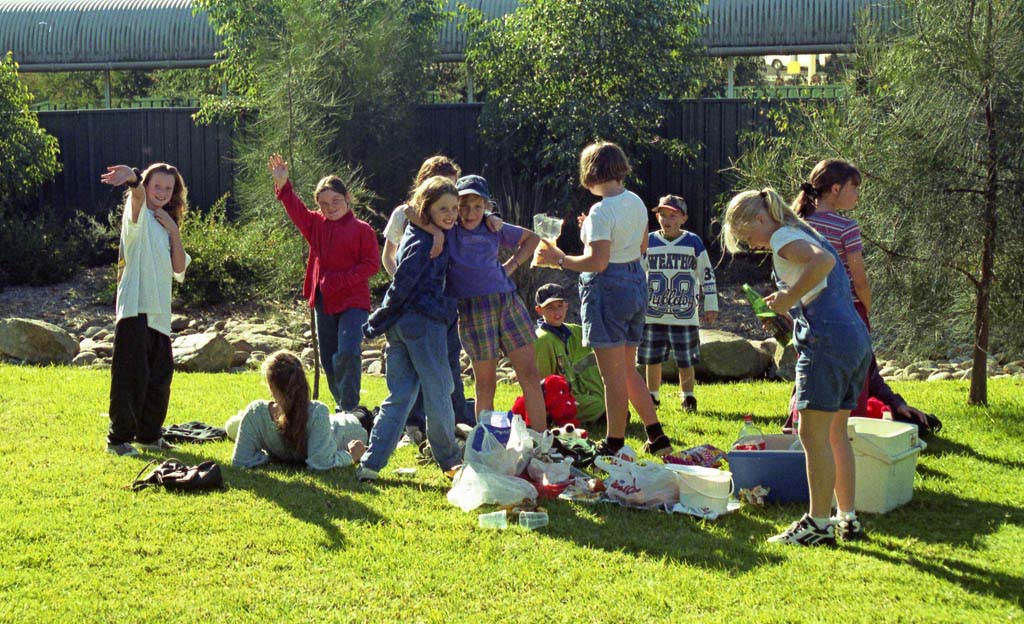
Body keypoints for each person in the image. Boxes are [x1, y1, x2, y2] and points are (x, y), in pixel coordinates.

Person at [722, 187, 871, 546]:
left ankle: (817, 525)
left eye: (747, 236)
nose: (751, 245)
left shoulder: (784, 235)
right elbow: (819, 284)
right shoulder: (805, 230)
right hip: (852, 338)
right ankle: (846, 518)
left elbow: (823, 262)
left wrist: (788, 297)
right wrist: (787, 307)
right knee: (836, 432)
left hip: (828, 342)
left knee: (812, 435)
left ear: (761, 219)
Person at [535, 142, 673, 457]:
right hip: (635, 285)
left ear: (590, 173)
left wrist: (559, 259)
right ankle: (657, 436)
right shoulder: (635, 201)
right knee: (627, 369)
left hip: (607, 291)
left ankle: (614, 444)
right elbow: (639, 247)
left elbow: (597, 263)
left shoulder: (601, 211)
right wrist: (590, 232)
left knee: (611, 377)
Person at [406, 174, 546, 431]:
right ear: (456, 205)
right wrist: (435, 233)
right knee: (485, 383)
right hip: (473, 309)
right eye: (465, 206)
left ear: (486, 207)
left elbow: (532, 239)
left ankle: (541, 439)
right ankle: (487, 443)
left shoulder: (493, 227)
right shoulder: (449, 228)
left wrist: (511, 266)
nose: (471, 213)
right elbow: (409, 211)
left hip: (507, 301)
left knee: (529, 374)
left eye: (478, 207)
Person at [358, 177, 464, 482]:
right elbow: (401, 283)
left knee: (401, 395)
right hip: (422, 323)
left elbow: (410, 211)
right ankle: (451, 463)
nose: (451, 214)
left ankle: (370, 464)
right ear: (426, 208)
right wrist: (378, 319)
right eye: (443, 208)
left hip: (403, 327)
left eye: (454, 208)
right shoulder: (425, 242)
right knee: (440, 392)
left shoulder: (423, 232)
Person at [268, 154, 379, 413]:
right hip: (324, 301)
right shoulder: (316, 224)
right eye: (324, 203)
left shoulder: (363, 230)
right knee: (329, 358)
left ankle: (349, 407)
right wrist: (284, 185)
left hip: (354, 302)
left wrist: (339, 280)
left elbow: (371, 265)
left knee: (348, 351)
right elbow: (296, 210)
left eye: (336, 201)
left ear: (348, 198)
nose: (330, 207)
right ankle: (342, 404)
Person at [382, 156, 480, 438]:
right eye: (444, 183)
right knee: (413, 367)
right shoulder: (405, 213)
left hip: (446, 301)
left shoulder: (453, 211)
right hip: (414, 302)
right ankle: (415, 423)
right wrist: (402, 283)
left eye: (453, 184)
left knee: (449, 361)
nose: (450, 189)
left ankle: (455, 419)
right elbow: (389, 254)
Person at [100, 163, 191, 456]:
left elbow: (179, 267)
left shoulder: (165, 223)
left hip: (160, 316)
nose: (162, 192)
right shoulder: (135, 213)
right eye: (157, 186)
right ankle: (118, 441)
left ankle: (149, 436)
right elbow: (137, 195)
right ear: (148, 186)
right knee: (131, 377)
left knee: (159, 378)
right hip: (135, 309)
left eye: (168, 188)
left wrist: (174, 231)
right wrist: (134, 179)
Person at [640, 194, 718, 413]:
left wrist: (711, 303)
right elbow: (638, 273)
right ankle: (652, 396)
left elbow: (706, 274)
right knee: (652, 357)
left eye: (673, 216)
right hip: (653, 313)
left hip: (685, 313)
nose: (667, 220)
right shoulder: (649, 241)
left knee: (686, 358)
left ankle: (688, 396)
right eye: (662, 215)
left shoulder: (693, 242)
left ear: (683, 218)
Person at [226, 351, 368, 470]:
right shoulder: (256, 413)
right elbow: (239, 461)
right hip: (334, 423)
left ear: (270, 386)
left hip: (354, 425)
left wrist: (352, 456)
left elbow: (322, 464)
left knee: (373, 416)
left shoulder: (317, 413)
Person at [533, 283, 606, 423]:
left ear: (566, 305)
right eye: (550, 308)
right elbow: (544, 386)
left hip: (587, 394)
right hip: (563, 399)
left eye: (560, 306)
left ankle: (602, 410)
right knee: (601, 407)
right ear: (539, 310)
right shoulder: (542, 340)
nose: (557, 312)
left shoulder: (576, 331)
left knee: (612, 403)